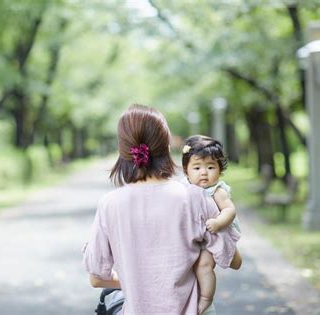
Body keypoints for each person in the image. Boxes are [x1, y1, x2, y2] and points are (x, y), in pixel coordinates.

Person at [83, 104, 241, 315]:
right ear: (167, 147)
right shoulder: (194, 197)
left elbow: (96, 278)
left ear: (123, 152)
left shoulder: (109, 204)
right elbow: (234, 260)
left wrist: (141, 282)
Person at [181, 135, 241, 315]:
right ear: (186, 171)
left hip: (218, 231)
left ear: (220, 170)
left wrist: (218, 222)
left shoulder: (217, 191)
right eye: (197, 167)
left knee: (204, 264)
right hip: (200, 235)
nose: (204, 172)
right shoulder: (185, 188)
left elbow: (230, 210)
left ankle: (206, 298)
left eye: (210, 167)